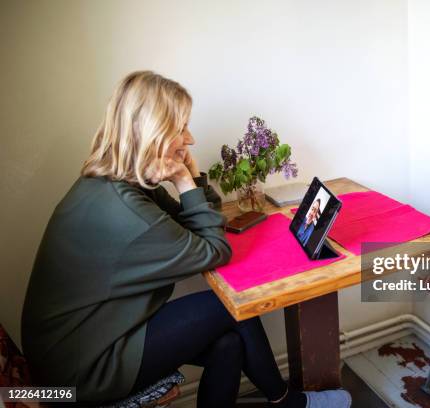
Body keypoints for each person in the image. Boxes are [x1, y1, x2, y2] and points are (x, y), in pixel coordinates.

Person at [21, 71, 351, 407]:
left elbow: (195, 222)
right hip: (81, 372)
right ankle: (287, 403)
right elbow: (214, 249)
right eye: (180, 128)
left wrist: (192, 178)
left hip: (77, 349)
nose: (190, 139)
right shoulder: (125, 212)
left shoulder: (115, 184)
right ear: (152, 134)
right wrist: (181, 179)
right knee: (231, 308)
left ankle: (286, 401)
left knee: (229, 343)